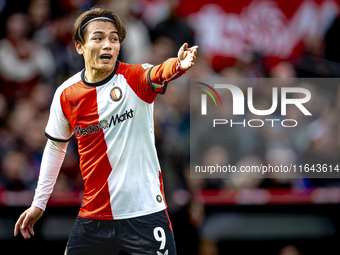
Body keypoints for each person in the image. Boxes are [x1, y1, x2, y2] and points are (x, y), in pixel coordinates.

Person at [13, 7, 198, 255]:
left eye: (113, 39)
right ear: (80, 46)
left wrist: (178, 65)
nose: (108, 45)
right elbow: (56, 147)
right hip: (94, 217)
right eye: (98, 38)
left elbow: (158, 72)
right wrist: (39, 203)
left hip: (144, 214)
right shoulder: (66, 94)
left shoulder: (134, 78)